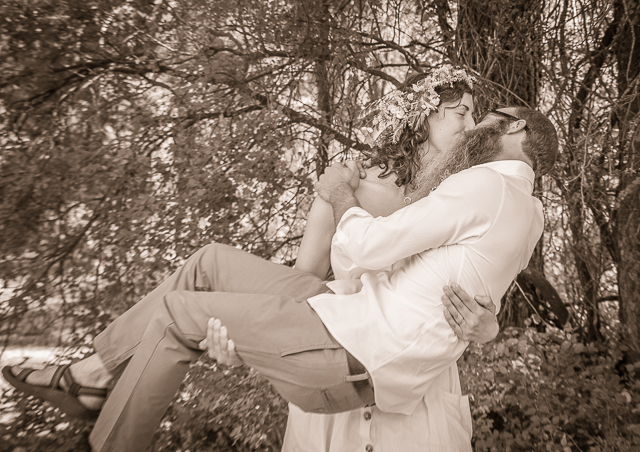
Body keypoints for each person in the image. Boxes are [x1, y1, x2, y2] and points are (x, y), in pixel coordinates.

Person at [2, 66, 558, 452]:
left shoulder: (474, 191)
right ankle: (97, 372)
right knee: (207, 264)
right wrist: (245, 337)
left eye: (476, 116)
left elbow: (483, 283)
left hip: (400, 368)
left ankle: (94, 387)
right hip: (330, 322)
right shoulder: (356, 181)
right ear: (422, 115)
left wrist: (487, 327)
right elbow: (305, 276)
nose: (470, 126)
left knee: (184, 312)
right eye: (460, 113)